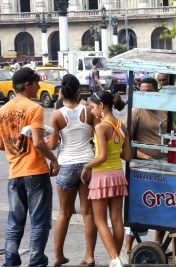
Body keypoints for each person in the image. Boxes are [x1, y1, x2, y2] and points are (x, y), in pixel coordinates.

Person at [0, 67, 60, 266]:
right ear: (27, 85)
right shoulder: (34, 108)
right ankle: (35, 262)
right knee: (39, 222)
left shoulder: (3, 110)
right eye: (35, 84)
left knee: (15, 221)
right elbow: (38, 142)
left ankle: (10, 261)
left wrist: (15, 144)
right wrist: (54, 160)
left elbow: (2, 143)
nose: (38, 87)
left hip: (15, 173)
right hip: (35, 172)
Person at [47, 74, 99, 266]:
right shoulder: (88, 111)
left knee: (64, 213)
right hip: (87, 163)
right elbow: (94, 136)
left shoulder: (57, 114)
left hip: (67, 165)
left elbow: (52, 144)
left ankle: (59, 256)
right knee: (88, 213)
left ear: (61, 92)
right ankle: (89, 256)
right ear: (78, 91)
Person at [81, 90, 130, 267]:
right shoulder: (122, 126)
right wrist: (114, 149)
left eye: (93, 107)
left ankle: (114, 259)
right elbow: (128, 156)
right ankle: (115, 257)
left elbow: (101, 156)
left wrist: (87, 166)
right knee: (117, 219)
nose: (92, 111)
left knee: (99, 219)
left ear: (101, 106)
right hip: (118, 175)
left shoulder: (101, 127)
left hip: (101, 177)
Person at [123, 77, 168, 250]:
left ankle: (158, 243)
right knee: (138, 208)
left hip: (163, 167)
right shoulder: (136, 111)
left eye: (149, 91)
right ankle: (128, 247)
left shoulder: (165, 111)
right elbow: (125, 142)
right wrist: (143, 156)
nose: (145, 94)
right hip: (140, 169)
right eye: (142, 91)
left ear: (157, 92)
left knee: (162, 205)